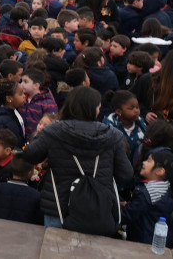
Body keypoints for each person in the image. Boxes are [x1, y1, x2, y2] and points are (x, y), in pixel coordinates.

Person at [17, 86, 133, 230]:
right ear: (95, 109)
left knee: (54, 251)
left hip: (59, 208)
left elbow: (30, 154)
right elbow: (126, 173)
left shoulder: (54, 130)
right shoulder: (112, 135)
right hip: (98, 208)